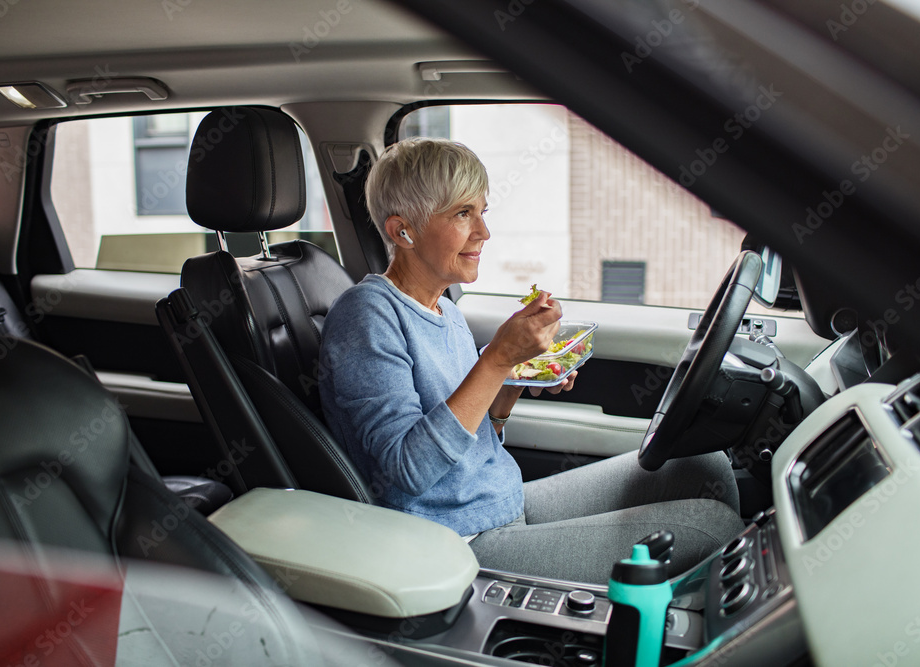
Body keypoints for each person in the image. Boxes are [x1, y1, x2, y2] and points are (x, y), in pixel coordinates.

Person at [318, 138, 744, 584]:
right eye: (464, 214)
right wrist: (499, 359)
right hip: (452, 541)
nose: (483, 232)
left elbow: (481, 440)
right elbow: (406, 471)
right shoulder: (366, 316)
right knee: (711, 530)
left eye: (483, 211)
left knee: (702, 466)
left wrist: (512, 382)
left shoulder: (446, 311)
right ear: (403, 231)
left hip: (499, 502)